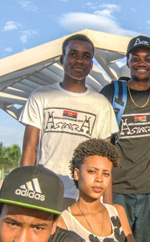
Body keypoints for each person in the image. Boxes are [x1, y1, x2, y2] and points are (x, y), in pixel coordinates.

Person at [99, 36, 150, 242]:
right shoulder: (112, 93)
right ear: (127, 61)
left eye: (147, 58)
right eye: (136, 58)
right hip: (116, 191)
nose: (141, 63)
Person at [20, 34, 118, 199]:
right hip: (44, 191)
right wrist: (23, 191)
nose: (79, 60)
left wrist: (108, 209)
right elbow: (29, 150)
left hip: (84, 196)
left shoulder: (101, 104)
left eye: (86, 56)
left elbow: (105, 161)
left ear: (91, 64)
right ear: (61, 59)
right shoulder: (41, 96)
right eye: (73, 54)